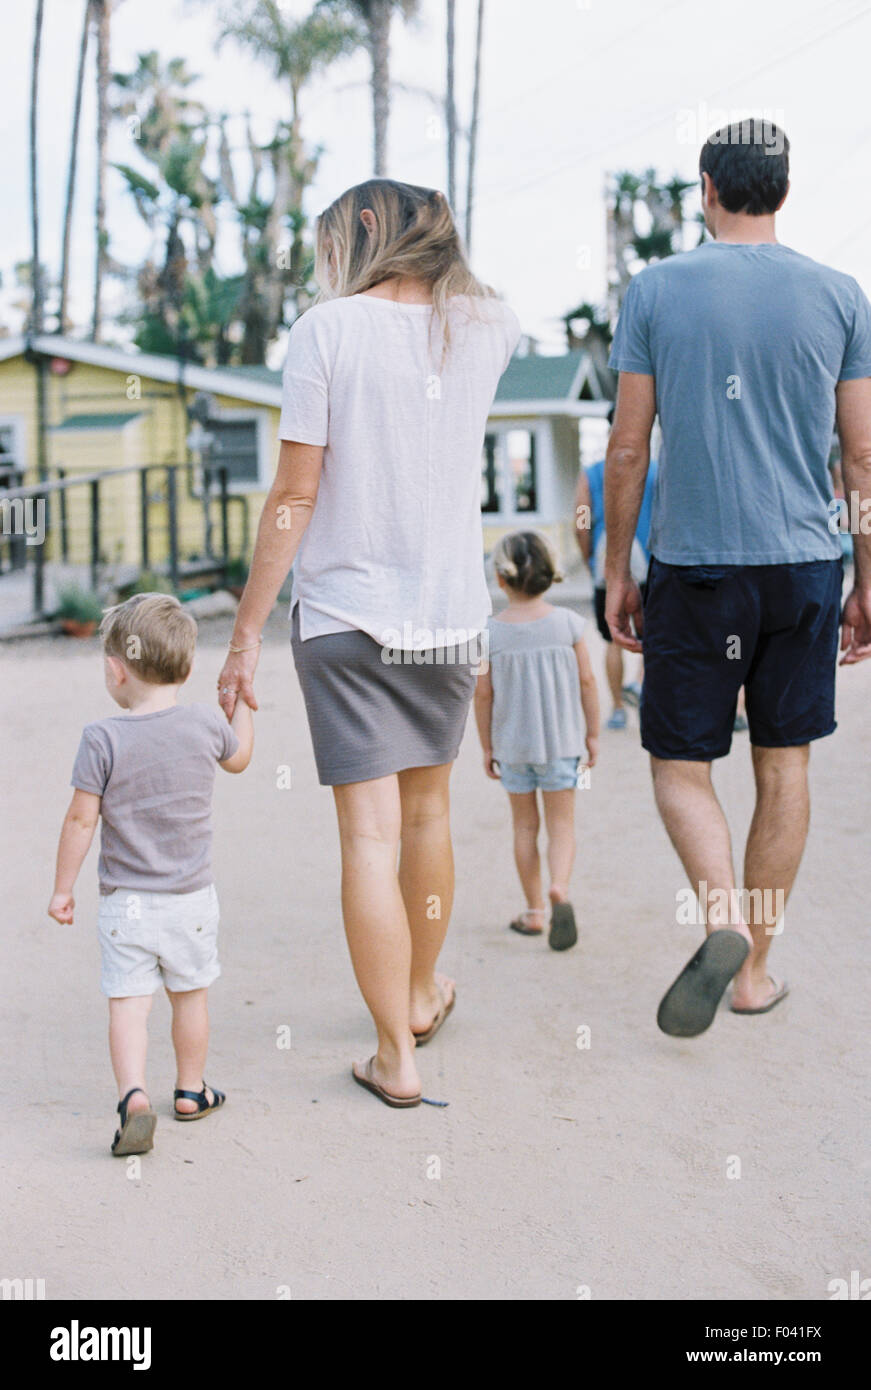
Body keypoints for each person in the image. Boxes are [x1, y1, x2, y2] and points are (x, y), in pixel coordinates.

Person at [217, 179, 520, 1108]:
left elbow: (294, 497)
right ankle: (421, 997)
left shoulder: (325, 331)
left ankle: (396, 1053)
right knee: (428, 818)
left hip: (345, 612)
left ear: (359, 229)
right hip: (445, 613)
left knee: (367, 837)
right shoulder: (485, 327)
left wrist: (242, 636)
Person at [604, 118, 871, 1037]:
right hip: (803, 564)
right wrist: (865, 578)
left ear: (707, 189)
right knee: (782, 762)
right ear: (782, 191)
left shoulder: (655, 290)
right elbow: (863, 455)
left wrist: (616, 569)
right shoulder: (840, 295)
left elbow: (628, 447)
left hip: (697, 567)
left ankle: (718, 916)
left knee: (681, 764)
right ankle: (753, 970)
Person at [48, 594, 254, 1155]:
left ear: (117, 670)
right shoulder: (206, 724)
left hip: (126, 907)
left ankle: (133, 1096)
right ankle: (190, 1090)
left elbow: (79, 819)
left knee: (129, 1005)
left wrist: (63, 889)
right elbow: (240, 759)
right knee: (190, 997)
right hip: (190, 900)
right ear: (185, 666)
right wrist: (244, 707)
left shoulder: (102, 738)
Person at [474, 531, 599, 950]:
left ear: (501, 579)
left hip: (513, 749)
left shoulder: (489, 633)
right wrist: (593, 734)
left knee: (524, 827)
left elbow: (483, 693)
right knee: (562, 825)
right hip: (563, 746)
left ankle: (533, 912)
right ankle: (559, 886)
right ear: (549, 575)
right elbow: (587, 681)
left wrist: (487, 747)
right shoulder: (568, 624)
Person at [575, 406, 656, 728]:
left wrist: (589, 557)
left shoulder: (592, 472)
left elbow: (581, 520)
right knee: (651, 633)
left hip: (606, 563)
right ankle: (641, 683)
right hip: (650, 563)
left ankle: (619, 709)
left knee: (612, 637)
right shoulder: (655, 470)